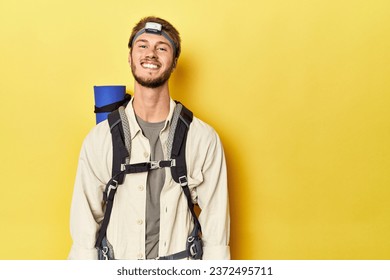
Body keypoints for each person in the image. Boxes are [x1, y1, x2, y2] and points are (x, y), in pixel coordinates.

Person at [68, 16, 230, 260]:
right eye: (142, 45)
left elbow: (216, 233)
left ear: (174, 62)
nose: (151, 54)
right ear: (130, 57)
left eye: (161, 47)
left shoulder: (202, 138)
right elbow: (84, 232)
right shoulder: (100, 139)